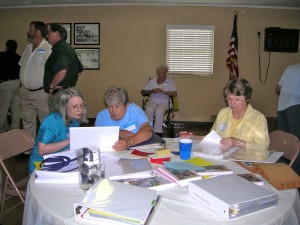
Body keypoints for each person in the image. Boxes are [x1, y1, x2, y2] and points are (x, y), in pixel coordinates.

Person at [181, 78, 270, 151]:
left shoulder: (258, 119)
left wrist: (237, 142)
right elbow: (212, 138)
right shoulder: (223, 113)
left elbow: (262, 147)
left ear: (247, 99)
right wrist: (192, 137)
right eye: (229, 99)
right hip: (222, 159)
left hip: (245, 161)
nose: (232, 103)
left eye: (237, 99)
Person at [28, 87, 88, 174]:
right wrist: (70, 140)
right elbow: (42, 150)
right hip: (41, 164)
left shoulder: (74, 120)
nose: (79, 110)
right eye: (75, 107)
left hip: (61, 158)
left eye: (82, 106)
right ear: (64, 107)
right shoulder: (52, 121)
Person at [19, 21, 52, 139]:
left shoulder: (48, 48)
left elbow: (54, 70)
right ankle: (28, 150)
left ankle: (45, 148)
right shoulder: (27, 48)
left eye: (31, 29)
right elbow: (23, 66)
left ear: (38, 32)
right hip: (25, 92)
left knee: (44, 121)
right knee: (27, 121)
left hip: (41, 93)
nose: (28, 31)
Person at [95, 86, 152, 151]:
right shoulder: (102, 116)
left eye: (117, 106)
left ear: (126, 105)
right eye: (110, 107)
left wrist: (129, 142)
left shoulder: (135, 111)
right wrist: (117, 133)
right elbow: (96, 138)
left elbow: (147, 131)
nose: (114, 111)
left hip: (136, 150)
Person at [44, 23, 83, 96]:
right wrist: (69, 83)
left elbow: (62, 71)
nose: (47, 36)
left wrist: (51, 87)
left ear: (56, 33)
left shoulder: (58, 49)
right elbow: (79, 71)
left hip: (60, 93)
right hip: (68, 91)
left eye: (49, 33)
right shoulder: (68, 48)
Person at [140, 64, 177, 137]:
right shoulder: (152, 81)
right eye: (162, 72)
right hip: (153, 100)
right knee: (149, 109)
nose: (164, 74)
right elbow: (142, 91)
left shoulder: (169, 81)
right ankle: (148, 130)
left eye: (165, 72)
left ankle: (158, 132)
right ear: (158, 73)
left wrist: (163, 92)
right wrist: (152, 91)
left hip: (165, 101)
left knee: (159, 110)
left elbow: (175, 93)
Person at [0, 40, 21, 133]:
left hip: (6, 84)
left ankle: (1, 130)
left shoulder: (1, 56)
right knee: (16, 109)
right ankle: (14, 131)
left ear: (6, 46)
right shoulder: (19, 58)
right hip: (17, 83)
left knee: (2, 109)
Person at [275, 63, 300, 140]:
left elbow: (277, 89)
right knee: (295, 138)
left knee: (283, 138)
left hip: (281, 106)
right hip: (296, 106)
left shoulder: (290, 68)